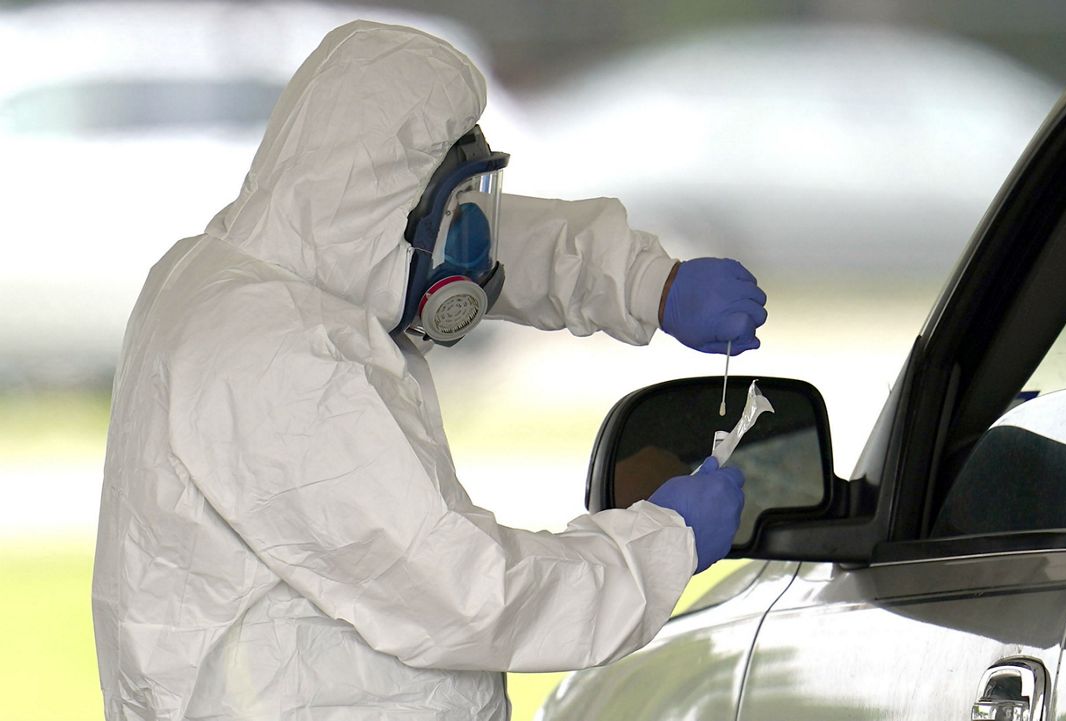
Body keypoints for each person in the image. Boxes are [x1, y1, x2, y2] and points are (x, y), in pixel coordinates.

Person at [91, 20, 766, 721]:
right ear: (388, 209)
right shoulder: (277, 363)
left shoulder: (237, 271)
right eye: (452, 201)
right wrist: (660, 545)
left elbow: (460, 240)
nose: (471, 238)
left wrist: (644, 281)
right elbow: (467, 593)